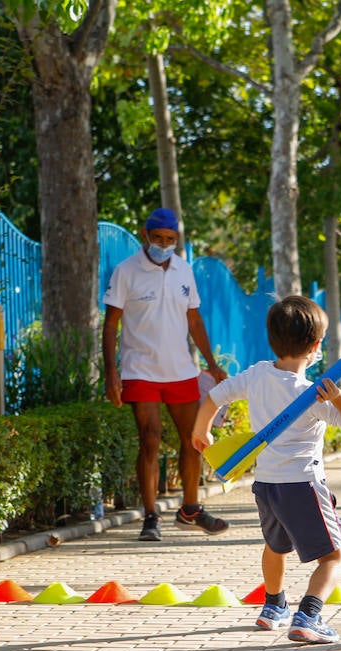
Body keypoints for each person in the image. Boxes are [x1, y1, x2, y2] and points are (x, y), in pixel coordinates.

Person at [191, 295, 341, 645]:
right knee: (334, 556)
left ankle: (273, 605)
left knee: (276, 546)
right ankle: (309, 615)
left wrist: (202, 430)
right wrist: (338, 398)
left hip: (267, 486)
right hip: (303, 485)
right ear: (316, 347)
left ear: (272, 340)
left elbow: (214, 397)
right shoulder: (311, 394)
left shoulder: (257, 375)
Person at [103, 207, 229, 542]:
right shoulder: (126, 271)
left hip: (180, 370)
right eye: (158, 238)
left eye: (170, 239)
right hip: (139, 369)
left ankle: (190, 510)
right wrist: (111, 372)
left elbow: (195, 320)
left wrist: (212, 364)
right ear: (146, 234)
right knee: (150, 439)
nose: (163, 244)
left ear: (177, 239)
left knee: (195, 439)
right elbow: (111, 323)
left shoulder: (184, 270)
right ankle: (150, 516)